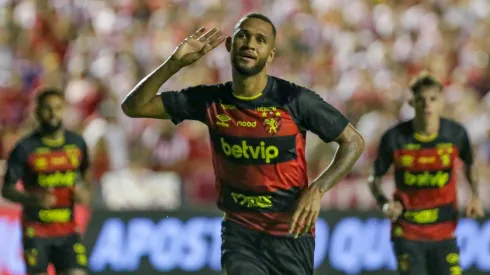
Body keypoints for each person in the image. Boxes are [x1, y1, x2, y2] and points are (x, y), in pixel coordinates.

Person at [121, 13, 365, 275]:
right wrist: (174, 64)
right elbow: (134, 107)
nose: (250, 43)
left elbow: (353, 142)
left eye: (260, 40)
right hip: (241, 234)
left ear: (270, 54)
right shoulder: (211, 100)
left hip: (291, 235)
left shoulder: (295, 100)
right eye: (243, 36)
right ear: (229, 45)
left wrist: (318, 189)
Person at [368, 72, 485, 275]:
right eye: (421, 100)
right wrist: (384, 203)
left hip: (444, 231)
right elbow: (374, 178)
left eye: (433, 99)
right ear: (412, 103)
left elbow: (470, 164)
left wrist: (475, 196)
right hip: (407, 230)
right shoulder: (395, 138)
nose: (427, 105)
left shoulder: (456, 134)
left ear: (442, 102)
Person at [2, 88, 91, 275]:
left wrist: (84, 194)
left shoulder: (77, 144)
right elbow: (7, 190)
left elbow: (86, 180)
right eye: (47, 109)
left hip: (68, 231)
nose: (53, 114)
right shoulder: (25, 148)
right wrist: (33, 199)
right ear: (37, 112)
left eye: (58, 108)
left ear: (64, 110)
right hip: (36, 231)